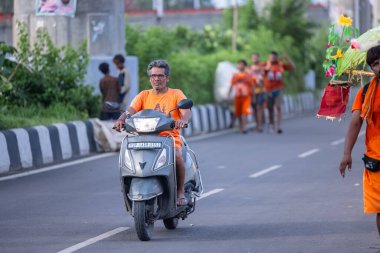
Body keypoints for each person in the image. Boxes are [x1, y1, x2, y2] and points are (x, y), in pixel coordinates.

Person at [113, 60, 191, 206]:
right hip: (144, 138)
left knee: (178, 156)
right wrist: (121, 119)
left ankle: (180, 192)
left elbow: (186, 111)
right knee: (128, 158)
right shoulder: (144, 95)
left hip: (169, 138)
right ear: (150, 78)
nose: (157, 79)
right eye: (153, 76)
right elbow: (130, 111)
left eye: (160, 76)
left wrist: (183, 120)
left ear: (167, 78)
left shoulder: (176, 94)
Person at [339, 45, 380, 235]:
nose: (379, 67)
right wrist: (346, 153)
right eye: (375, 64)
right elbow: (355, 123)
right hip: (376, 159)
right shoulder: (365, 93)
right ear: (371, 68)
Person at [264, 51, 295, 134]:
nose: (272, 59)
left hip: (278, 89)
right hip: (268, 89)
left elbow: (292, 67)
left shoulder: (280, 64)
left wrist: (288, 59)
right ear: (268, 57)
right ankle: (271, 125)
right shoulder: (265, 65)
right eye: (271, 57)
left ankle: (279, 126)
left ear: (276, 57)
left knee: (278, 107)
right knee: (270, 109)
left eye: (274, 57)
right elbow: (259, 72)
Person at [228, 59, 253, 134]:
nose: (240, 66)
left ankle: (244, 128)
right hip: (237, 96)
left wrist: (253, 95)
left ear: (245, 66)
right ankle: (241, 127)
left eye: (242, 64)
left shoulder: (247, 75)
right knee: (238, 113)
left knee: (244, 113)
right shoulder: (235, 75)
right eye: (239, 64)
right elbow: (232, 85)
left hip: (246, 97)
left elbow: (251, 85)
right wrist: (229, 93)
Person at [249, 53, 266, 133]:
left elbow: (264, 77)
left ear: (259, 58)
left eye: (256, 57)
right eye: (253, 57)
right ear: (251, 59)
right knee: (254, 108)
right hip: (252, 91)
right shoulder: (249, 69)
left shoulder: (262, 68)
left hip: (260, 90)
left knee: (259, 107)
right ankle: (257, 123)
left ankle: (260, 125)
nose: (255, 58)